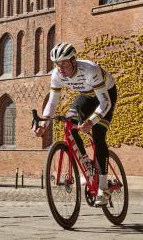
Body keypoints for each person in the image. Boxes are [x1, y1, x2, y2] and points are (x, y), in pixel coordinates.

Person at [34, 42, 117, 206]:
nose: (60, 68)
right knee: (69, 124)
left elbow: (105, 103)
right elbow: (52, 102)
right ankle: (87, 165)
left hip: (106, 96)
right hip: (86, 95)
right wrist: (44, 123)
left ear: (73, 61)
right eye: (57, 64)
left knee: (98, 134)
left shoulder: (90, 70)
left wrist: (92, 121)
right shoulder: (57, 75)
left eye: (64, 63)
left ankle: (103, 187)